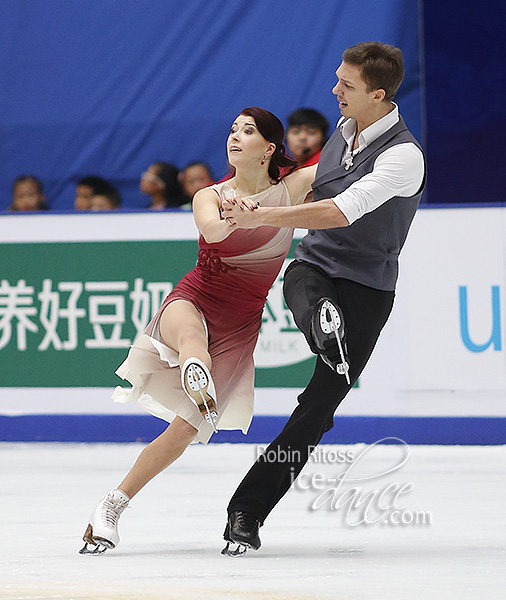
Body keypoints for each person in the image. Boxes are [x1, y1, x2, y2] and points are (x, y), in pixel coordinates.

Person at [79, 107, 316, 554]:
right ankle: (195, 368)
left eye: (247, 131)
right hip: (193, 299)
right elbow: (210, 228)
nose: (235, 137)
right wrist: (236, 215)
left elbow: (347, 161)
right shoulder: (210, 195)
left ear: (269, 148)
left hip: (240, 324)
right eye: (232, 129)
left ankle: (111, 504)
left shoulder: (293, 188)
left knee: (185, 429)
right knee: (192, 340)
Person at [220, 41, 426, 556]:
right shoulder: (344, 129)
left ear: (377, 95)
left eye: (346, 85)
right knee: (302, 279)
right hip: (317, 267)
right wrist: (265, 196)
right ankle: (321, 324)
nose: (334, 89)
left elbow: (339, 209)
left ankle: (246, 510)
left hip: (368, 288)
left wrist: (260, 217)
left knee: (317, 407)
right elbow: (314, 178)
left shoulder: (403, 157)